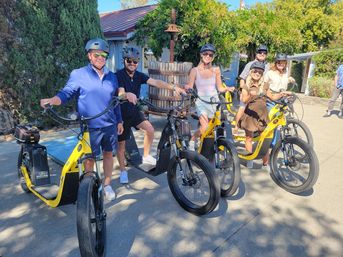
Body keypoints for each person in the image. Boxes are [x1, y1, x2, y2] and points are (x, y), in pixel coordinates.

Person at [40, 38, 134, 201]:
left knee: (108, 154)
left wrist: (119, 120)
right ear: (89, 56)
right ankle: (89, 184)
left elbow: (115, 101)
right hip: (90, 126)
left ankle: (107, 184)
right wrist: (53, 100)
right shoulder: (79, 74)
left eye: (104, 55)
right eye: (96, 54)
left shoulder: (112, 76)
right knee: (89, 158)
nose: (100, 57)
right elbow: (66, 93)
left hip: (110, 124)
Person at [116, 47, 184, 184]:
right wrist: (126, 95)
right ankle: (123, 171)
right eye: (129, 60)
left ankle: (146, 156)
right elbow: (120, 93)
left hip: (134, 111)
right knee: (121, 144)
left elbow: (156, 82)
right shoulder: (119, 75)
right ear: (124, 61)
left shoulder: (139, 75)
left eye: (135, 61)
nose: (132, 63)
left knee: (150, 130)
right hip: (121, 114)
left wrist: (174, 88)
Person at [185, 43, 234, 139]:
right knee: (205, 127)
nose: (208, 56)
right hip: (201, 101)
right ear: (201, 55)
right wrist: (187, 88)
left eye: (210, 55)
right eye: (205, 54)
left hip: (214, 101)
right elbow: (190, 86)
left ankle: (205, 148)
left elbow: (219, 88)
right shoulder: (194, 70)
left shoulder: (216, 70)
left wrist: (227, 88)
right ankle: (192, 139)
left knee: (212, 128)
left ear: (213, 57)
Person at [263, 53, 296, 169]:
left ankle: (274, 153)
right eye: (279, 62)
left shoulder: (285, 73)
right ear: (275, 63)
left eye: (283, 62)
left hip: (282, 100)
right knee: (270, 129)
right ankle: (265, 161)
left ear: (285, 63)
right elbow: (265, 88)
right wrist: (272, 97)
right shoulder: (269, 73)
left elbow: (285, 81)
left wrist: (290, 79)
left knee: (280, 128)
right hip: (271, 101)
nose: (281, 64)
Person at [237, 61, 269, 168]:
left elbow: (272, 96)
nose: (257, 73)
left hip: (262, 115)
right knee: (249, 138)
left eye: (260, 72)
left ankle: (266, 162)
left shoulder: (265, 85)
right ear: (251, 72)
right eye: (255, 71)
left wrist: (282, 94)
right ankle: (249, 160)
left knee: (264, 139)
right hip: (250, 115)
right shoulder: (246, 86)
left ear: (262, 74)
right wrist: (251, 94)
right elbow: (244, 100)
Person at [234, 44, 270, 133]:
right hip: (249, 89)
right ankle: (236, 125)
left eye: (264, 53)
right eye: (260, 52)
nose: (262, 54)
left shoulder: (267, 66)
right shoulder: (250, 64)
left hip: (260, 90)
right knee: (243, 106)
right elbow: (242, 78)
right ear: (256, 53)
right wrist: (244, 90)